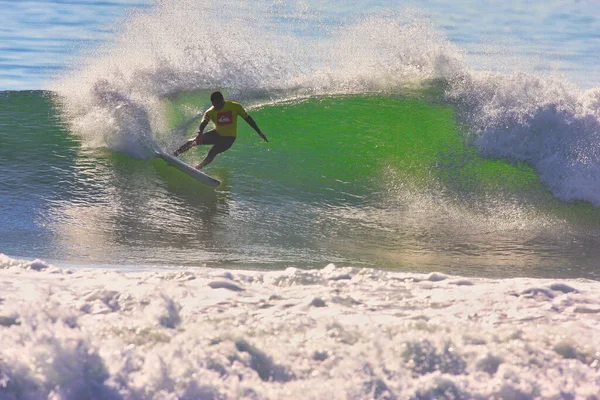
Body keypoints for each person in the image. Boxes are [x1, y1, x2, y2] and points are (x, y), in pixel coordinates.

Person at [173, 91, 268, 169]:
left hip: (229, 138)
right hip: (217, 134)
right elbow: (203, 123)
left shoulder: (235, 106)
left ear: (222, 100)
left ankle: (197, 168)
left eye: (217, 104)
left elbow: (248, 119)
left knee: (212, 152)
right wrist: (200, 133)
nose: (216, 107)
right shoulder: (210, 111)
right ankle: (174, 155)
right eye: (214, 105)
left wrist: (259, 132)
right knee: (192, 142)